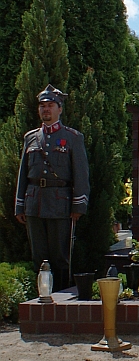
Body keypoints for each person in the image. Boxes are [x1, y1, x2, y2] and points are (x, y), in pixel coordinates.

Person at [15, 84, 90, 292]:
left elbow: (81, 175)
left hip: (60, 204)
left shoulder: (73, 138)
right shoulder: (31, 138)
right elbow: (23, 173)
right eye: (42, 106)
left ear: (59, 109)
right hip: (34, 203)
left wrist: (78, 206)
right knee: (38, 255)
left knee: (59, 257)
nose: (46, 109)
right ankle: (42, 296)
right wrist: (19, 205)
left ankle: (61, 296)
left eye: (50, 105)